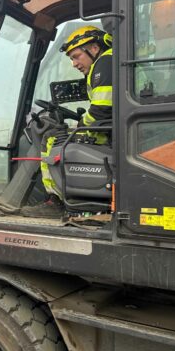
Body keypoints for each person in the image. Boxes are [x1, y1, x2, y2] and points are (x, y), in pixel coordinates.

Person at [27, 26, 113, 216]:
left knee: (51, 139)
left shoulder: (106, 62)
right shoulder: (110, 61)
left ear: (93, 48)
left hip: (110, 133)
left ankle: (55, 201)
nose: (74, 63)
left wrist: (81, 124)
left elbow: (102, 110)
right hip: (115, 130)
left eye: (76, 56)